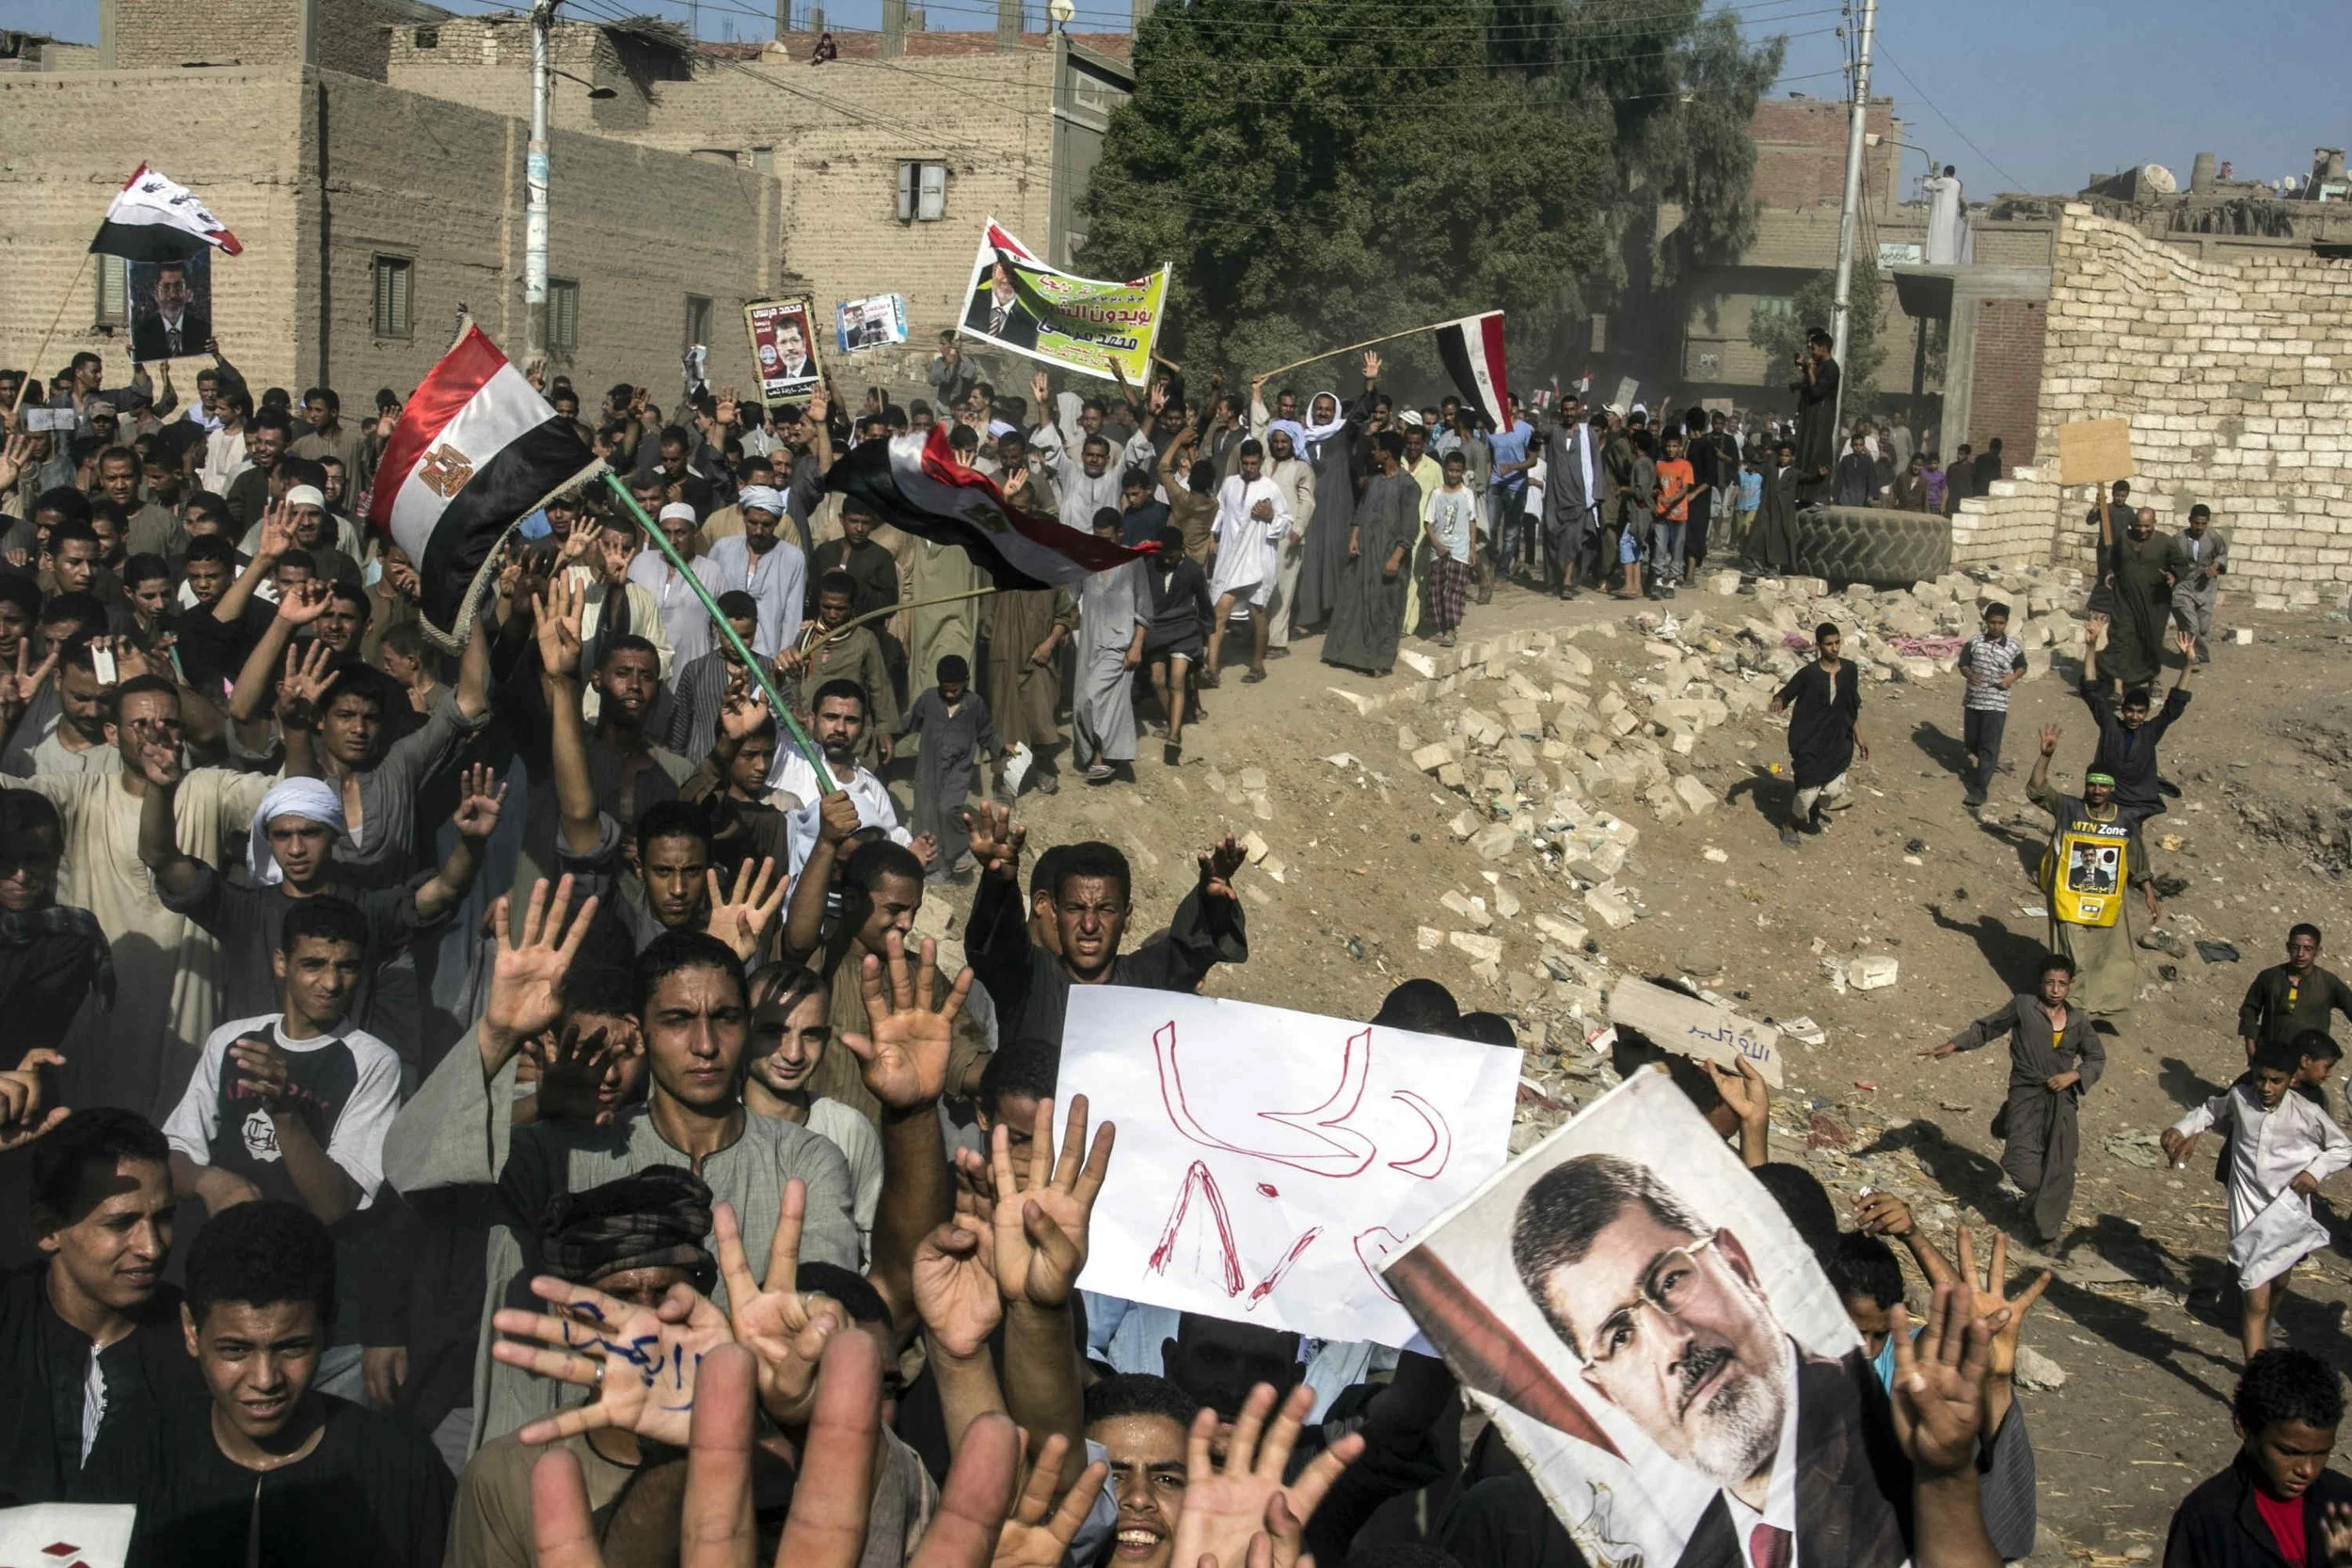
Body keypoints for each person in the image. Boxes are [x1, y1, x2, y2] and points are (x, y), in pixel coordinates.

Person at [384, 882, 859, 1451]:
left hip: (741, 1470)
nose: (705, 1045)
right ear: (641, 1029)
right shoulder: (555, 1154)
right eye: (679, 1019)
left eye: (726, 1018)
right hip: (558, 1473)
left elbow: (824, 1320)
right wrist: (498, 1036)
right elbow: (412, 1168)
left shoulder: (804, 1160)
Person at [1508, 1152, 1908, 1568]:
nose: (1674, 1343)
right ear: (1604, 1390)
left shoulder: (1893, 1459)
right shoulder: (1674, 1544)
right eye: (1621, 1335)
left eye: (1670, 1281)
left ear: (1737, 1264)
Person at [80, 1199, 455, 1568]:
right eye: (235, 1350)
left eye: (291, 1348)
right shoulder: (135, 1458)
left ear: (328, 1329)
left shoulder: (401, 1466)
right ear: (192, 1331)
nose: (265, 1380)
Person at [0, 1107, 202, 1505]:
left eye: (163, 1218)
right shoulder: (8, 1315)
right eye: (120, 1223)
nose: (151, 1247)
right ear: (48, 1231)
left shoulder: (198, 1339)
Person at [964, 806, 1247, 1047]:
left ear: (1127, 917)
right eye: (1075, 909)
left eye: (1105, 910)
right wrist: (998, 883)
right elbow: (998, 945)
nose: (1089, 925)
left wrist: (1212, 904)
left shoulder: (1147, 981)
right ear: (1055, 913)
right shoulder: (1028, 980)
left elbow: (1190, 950)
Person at [2164, 1037, 2351, 1357]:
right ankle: (2256, 1373)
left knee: (2278, 1284)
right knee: (2256, 1300)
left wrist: (2313, 1173)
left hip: (2286, 1209)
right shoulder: (2240, 1097)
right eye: (2260, 1078)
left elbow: (2342, 1147)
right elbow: (2210, 1109)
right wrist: (2182, 1129)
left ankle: (2265, 1329)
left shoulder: (2307, 1112)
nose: (2265, 1087)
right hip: (2247, 1209)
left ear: (2291, 1079)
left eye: (2275, 1081)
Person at [1923, 955, 2104, 1247]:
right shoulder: (2023, 1006)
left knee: (2060, 1165)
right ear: (2040, 983)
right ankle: (2012, 1129)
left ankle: (2047, 1234)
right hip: (2026, 1093)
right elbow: (1987, 1027)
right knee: (2024, 1170)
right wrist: (1954, 1044)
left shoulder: (2079, 1021)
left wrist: (2073, 1076)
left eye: (2062, 984)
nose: (2055, 990)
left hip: (2062, 1101)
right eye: (2049, 983)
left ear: (2071, 986)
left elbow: (2096, 1057)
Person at [2162, 1349, 2352, 1568]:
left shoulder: (2343, 1501)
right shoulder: (2207, 1518)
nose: (2307, 1470)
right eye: (2289, 1452)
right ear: (2244, 1427)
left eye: (2321, 1453)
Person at [741, 962, 882, 1247]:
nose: (793, 1054)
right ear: (742, 1030)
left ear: (827, 1038)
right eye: (773, 1032)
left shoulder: (848, 1128)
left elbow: (871, 1246)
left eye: (810, 1035)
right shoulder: (712, 1125)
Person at [2023, 723, 2146, 1018]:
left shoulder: (2125, 819)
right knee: (2071, 955)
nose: (2097, 790)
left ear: (2112, 789)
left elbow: (2137, 855)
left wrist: (2149, 890)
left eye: (2103, 785)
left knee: (2106, 955)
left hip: (2107, 900)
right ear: (2086, 785)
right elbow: (2037, 790)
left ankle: (2095, 1009)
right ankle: (2068, 1010)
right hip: (2068, 897)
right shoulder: (2068, 808)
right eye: (2092, 785)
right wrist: (2045, 756)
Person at [2081, 618, 2194, 915]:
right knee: (2095, 839)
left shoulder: (2150, 731)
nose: (2133, 716)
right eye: (2129, 710)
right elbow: (2092, 690)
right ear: (2123, 710)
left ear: (2145, 714)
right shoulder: (2110, 726)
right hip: (2106, 797)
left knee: (2131, 840)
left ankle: (2135, 885)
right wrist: (2091, 646)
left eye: (2139, 712)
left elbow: (2175, 705)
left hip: (2137, 800)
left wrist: (2188, 664)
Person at [1320, 431, 1416, 677]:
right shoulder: (1374, 481)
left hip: (1388, 555)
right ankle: (1346, 655)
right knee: (1355, 603)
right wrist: (1354, 538)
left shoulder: (1408, 486)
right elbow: (1360, 513)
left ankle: (1378, 661)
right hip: (1364, 554)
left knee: (1384, 607)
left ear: (1387, 453)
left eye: (1376, 449)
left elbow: (1409, 527)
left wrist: (1395, 558)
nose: (1373, 453)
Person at [779, 572, 898, 767]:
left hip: (850, 735)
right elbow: (794, 678)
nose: (833, 614)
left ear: (851, 606)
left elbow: (879, 686)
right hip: (809, 730)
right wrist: (795, 708)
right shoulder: (806, 636)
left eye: (840, 608)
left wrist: (884, 730)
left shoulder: (864, 640)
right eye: (827, 607)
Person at [898, 654, 998, 877]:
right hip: (928, 766)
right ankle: (934, 866)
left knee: (948, 808)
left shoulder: (974, 704)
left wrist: (1000, 748)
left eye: (955, 689)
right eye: (946, 690)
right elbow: (909, 723)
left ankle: (962, 849)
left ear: (966, 682)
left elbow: (986, 732)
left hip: (958, 768)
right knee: (927, 815)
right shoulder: (929, 699)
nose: (950, 694)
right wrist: (888, 736)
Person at [1770, 622, 1867, 845]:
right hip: (1809, 741)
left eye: (1837, 643)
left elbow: (1851, 707)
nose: (1834, 648)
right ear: (1819, 646)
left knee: (1832, 789)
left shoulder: (1850, 670)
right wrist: (1778, 701)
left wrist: (1859, 737)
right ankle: (1789, 825)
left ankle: (1811, 809)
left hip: (1838, 741)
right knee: (1808, 791)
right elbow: (1787, 693)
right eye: (1829, 644)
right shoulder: (1809, 674)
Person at [1203, 439, 1290, 687]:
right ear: (1241, 461)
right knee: (1220, 610)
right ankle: (1212, 668)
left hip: (1258, 559)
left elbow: (1286, 522)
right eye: (1246, 462)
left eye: (1254, 463)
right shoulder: (1230, 484)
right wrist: (1212, 535)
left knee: (1258, 614)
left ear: (1261, 461)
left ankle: (1257, 665)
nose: (1250, 467)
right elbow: (1219, 511)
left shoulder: (1271, 489)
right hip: (1231, 558)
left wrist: (1271, 515)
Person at [983, 582, 1076, 797]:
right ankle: (1007, 778)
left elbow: (1064, 615)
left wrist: (1050, 644)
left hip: (1039, 656)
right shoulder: (999, 572)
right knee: (1007, 718)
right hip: (1005, 656)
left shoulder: (1051, 576)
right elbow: (986, 618)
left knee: (1041, 714)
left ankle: (1041, 768)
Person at [703, 483, 807, 658]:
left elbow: (792, 618)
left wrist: (782, 660)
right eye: (753, 523)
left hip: (767, 656)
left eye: (766, 524)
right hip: (721, 652)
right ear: (744, 518)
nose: (759, 531)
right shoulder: (722, 549)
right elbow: (708, 606)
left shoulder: (793, 558)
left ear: (778, 521)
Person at [2238, 923, 2352, 1062]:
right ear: (2287, 947)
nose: (2300, 954)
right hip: (2270, 1057)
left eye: (2308, 949)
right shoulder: (2269, 977)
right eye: (2295, 947)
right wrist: (2251, 1048)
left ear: (2318, 951)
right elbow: (2249, 1010)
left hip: (2308, 1063)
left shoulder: (2328, 983)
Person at [2096, 498, 2176, 692]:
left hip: (2154, 603)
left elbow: (2179, 564)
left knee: (2151, 640)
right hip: (2125, 600)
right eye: (2139, 526)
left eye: (2147, 526)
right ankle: (2117, 687)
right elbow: (2114, 558)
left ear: (2154, 523)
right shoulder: (2124, 538)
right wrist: (2111, 572)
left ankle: (2153, 679)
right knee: (2121, 638)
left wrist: (2172, 575)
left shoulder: (2166, 542)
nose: (2142, 530)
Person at [1958, 601, 2026, 807]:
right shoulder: (1975, 642)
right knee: (1971, 742)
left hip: (1996, 704)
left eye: (2001, 623)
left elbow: (2022, 666)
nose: (1996, 627)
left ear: (2006, 624)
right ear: (1986, 622)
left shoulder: (2013, 646)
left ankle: (1980, 789)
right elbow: (1963, 663)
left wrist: (2012, 678)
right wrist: (1969, 674)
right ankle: (1989, 763)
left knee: (1989, 745)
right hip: (1974, 700)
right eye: (1993, 622)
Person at [1541, 398, 1605, 598]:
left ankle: (1568, 581)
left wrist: (1596, 493)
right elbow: (1537, 433)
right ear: (1561, 411)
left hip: (1578, 497)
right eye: (1565, 410)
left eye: (1572, 410)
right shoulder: (1554, 432)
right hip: (1554, 497)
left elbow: (1596, 464)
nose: (1568, 413)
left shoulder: (1588, 434)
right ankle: (1555, 580)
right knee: (1552, 538)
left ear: (1579, 410)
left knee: (1573, 540)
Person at [1422, 450, 1478, 648]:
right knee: (1437, 590)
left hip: (1460, 551)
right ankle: (1441, 627)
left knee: (1454, 591)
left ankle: (1452, 629)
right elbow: (1428, 522)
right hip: (1438, 551)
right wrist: (1437, 544)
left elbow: (1472, 521)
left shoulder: (1467, 494)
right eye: (1450, 471)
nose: (1453, 474)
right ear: (1445, 470)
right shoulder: (1436, 494)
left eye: (1457, 471)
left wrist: (1472, 549)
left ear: (1462, 472)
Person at [2168, 504, 2228, 663]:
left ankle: (2187, 651)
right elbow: (2169, 560)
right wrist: (2171, 575)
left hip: (2206, 587)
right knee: (2190, 623)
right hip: (2184, 585)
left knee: (2202, 627)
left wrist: (2215, 566)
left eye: (2203, 524)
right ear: (2190, 521)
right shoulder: (2178, 539)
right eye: (2196, 523)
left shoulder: (2214, 538)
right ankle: (2197, 656)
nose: (2199, 527)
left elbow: (2222, 555)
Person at [1790, 328, 1840, 504]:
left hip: (1822, 417)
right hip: (1811, 416)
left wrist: (1810, 370)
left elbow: (1817, 390)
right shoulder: (1819, 366)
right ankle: (1801, 493)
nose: (1811, 352)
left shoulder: (1832, 368)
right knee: (1805, 450)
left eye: (1813, 348)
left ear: (1823, 348)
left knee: (1817, 452)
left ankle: (1817, 496)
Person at [130, 260, 210, 363]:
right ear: (155, 294)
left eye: (178, 287)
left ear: (189, 294)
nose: (172, 295)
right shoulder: (140, 335)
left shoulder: (203, 332)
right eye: (166, 287)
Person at [1834, 432, 1879, 507]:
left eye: (1861, 445)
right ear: (1851, 446)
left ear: (1863, 446)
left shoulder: (1868, 460)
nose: (1858, 447)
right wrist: (1836, 494)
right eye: (1855, 445)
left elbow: (1872, 478)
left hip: (1861, 494)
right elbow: (1839, 478)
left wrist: (1871, 495)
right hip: (1846, 495)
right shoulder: (1846, 460)